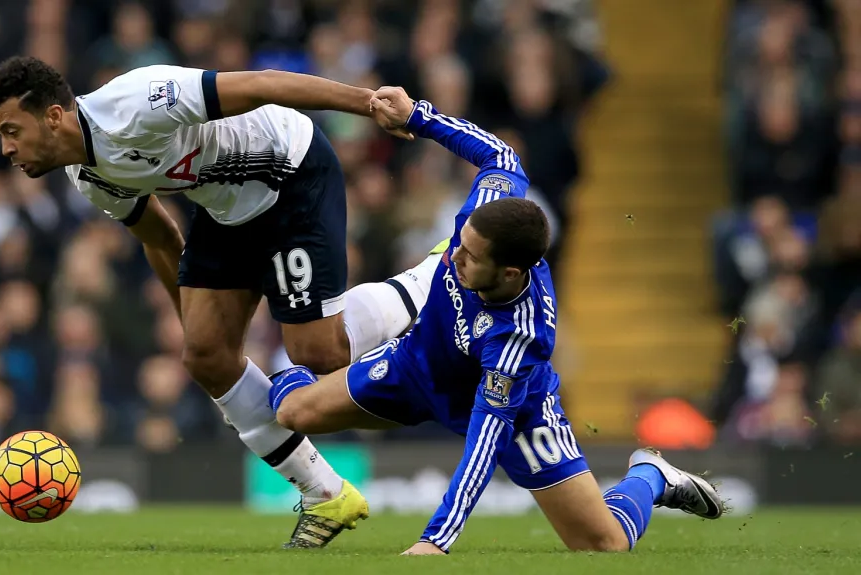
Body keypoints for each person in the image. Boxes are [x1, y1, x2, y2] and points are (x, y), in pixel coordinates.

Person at [0, 57, 442, 548]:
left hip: (291, 175)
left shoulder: (136, 102)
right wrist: (192, 318)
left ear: (52, 117)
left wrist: (367, 104)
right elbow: (158, 237)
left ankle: (432, 275)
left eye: (12, 130)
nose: (6, 148)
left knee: (320, 355)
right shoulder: (88, 177)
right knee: (205, 356)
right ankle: (324, 494)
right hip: (225, 212)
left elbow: (264, 84)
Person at [268, 87, 725, 555]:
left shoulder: (519, 338)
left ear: (509, 273)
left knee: (602, 546)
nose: (453, 257)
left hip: (517, 415)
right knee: (290, 410)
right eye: (458, 242)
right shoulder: (485, 213)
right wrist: (417, 116)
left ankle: (650, 475)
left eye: (469, 256)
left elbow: (484, 442)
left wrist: (435, 540)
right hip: (415, 367)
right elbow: (502, 155)